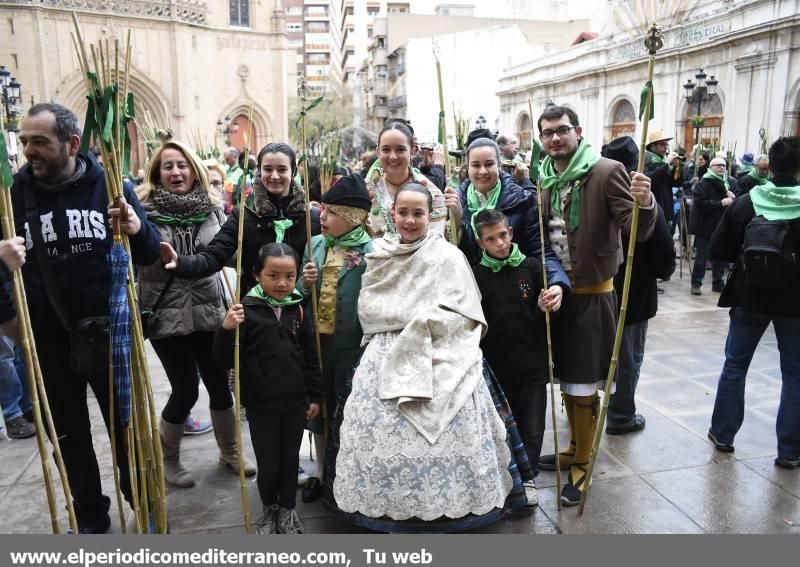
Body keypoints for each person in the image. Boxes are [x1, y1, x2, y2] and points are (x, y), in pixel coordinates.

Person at [11, 103, 160, 533]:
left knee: (126, 428)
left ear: (72, 144)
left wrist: (135, 227)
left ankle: (143, 503)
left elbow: (150, 252)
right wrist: (11, 317)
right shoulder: (15, 193)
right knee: (69, 435)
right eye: (24, 142)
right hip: (48, 336)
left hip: (110, 332)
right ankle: (91, 514)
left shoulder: (111, 185)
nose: (28, 151)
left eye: (39, 142)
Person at [333, 183, 515, 531]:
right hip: (386, 349)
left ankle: (454, 502)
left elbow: (466, 312)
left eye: (418, 213)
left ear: (430, 215)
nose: (410, 220)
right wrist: (403, 322)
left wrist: (427, 323)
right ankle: (387, 505)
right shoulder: (380, 253)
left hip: (440, 345)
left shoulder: (448, 255)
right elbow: (369, 309)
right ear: (393, 213)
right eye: (404, 212)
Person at [533, 105, 655, 506]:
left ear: (578, 131)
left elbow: (638, 229)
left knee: (584, 383)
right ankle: (573, 446)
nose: (554, 138)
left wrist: (645, 202)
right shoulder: (544, 177)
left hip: (593, 296)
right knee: (567, 379)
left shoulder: (605, 170)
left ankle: (583, 462)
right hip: (559, 298)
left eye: (561, 131)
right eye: (547, 133)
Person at [136, 140, 255, 489]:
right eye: (168, 166)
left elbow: (228, 255)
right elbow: (141, 261)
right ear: (157, 172)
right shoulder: (143, 215)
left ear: (194, 170)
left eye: (182, 165)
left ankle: (230, 452)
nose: (176, 172)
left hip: (208, 311)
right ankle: (169, 458)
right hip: (166, 314)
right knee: (185, 390)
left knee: (220, 387)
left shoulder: (214, 210)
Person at [214, 243, 324, 534]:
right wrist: (226, 329)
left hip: (296, 403)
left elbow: (310, 355)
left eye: (290, 276)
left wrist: (315, 395)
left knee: (290, 461)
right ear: (256, 275)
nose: (282, 283)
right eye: (273, 275)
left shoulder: (297, 309)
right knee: (269, 463)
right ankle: (268, 509)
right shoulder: (245, 311)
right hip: (261, 404)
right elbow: (223, 359)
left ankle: (287, 509)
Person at [707, 136, 800, 470]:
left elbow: (717, 249)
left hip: (749, 297)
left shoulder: (747, 202)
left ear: (769, 166)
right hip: (795, 304)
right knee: (795, 375)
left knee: (735, 365)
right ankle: (789, 451)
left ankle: (723, 434)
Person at [472, 209, 562, 507]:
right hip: (497, 366)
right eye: (490, 239)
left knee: (533, 424)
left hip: (532, 361)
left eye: (502, 235)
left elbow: (545, 318)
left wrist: (543, 305)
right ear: (480, 242)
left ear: (510, 232)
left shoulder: (532, 267)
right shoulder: (477, 275)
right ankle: (507, 475)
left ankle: (530, 475)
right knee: (502, 425)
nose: (499, 243)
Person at [297, 174, 374, 505]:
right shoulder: (314, 245)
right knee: (320, 404)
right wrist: (305, 283)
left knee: (347, 405)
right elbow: (298, 296)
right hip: (317, 344)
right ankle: (319, 471)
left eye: (331, 212)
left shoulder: (372, 251)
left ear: (352, 217)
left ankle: (348, 469)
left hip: (352, 346)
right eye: (322, 211)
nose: (322, 218)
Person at [160, 142, 320, 294]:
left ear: (292, 172)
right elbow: (214, 256)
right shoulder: (245, 215)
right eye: (268, 169)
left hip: (299, 310)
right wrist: (181, 262)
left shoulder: (310, 218)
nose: (275, 176)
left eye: (282, 169)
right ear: (259, 171)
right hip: (254, 311)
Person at [457, 136, 569, 298]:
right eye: (476, 165)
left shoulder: (522, 201)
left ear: (500, 165)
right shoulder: (455, 203)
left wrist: (556, 283)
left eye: (489, 164)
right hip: (471, 295)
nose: (482, 171)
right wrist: (455, 216)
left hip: (514, 294)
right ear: (467, 167)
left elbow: (540, 251)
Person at [364, 121, 459, 239]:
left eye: (400, 149)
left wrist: (457, 215)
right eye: (386, 150)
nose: (393, 156)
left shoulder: (432, 194)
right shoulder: (365, 191)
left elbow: (436, 243)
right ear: (378, 152)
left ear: (413, 151)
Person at [689, 156, 737, 295]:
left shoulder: (728, 182)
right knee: (702, 257)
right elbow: (701, 203)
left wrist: (733, 197)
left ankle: (718, 282)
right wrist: (721, 203)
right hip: (705, 226)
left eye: (723, 165)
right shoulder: (703, 183)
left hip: (722, 225)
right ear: (711, 168)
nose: (722, 167)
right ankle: (696, 283)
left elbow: (734, 202)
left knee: (720, 256)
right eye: (718, 165)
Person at [644, 130, 679, 228]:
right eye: (662, 144)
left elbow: (675, 183)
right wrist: (666, 164)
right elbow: (650, 178)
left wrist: (676, 167)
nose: (665, 148)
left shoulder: (662, 161)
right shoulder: (646, 159)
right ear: (653, 146)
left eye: (666, 145)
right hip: (655, 205)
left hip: (666, 205)